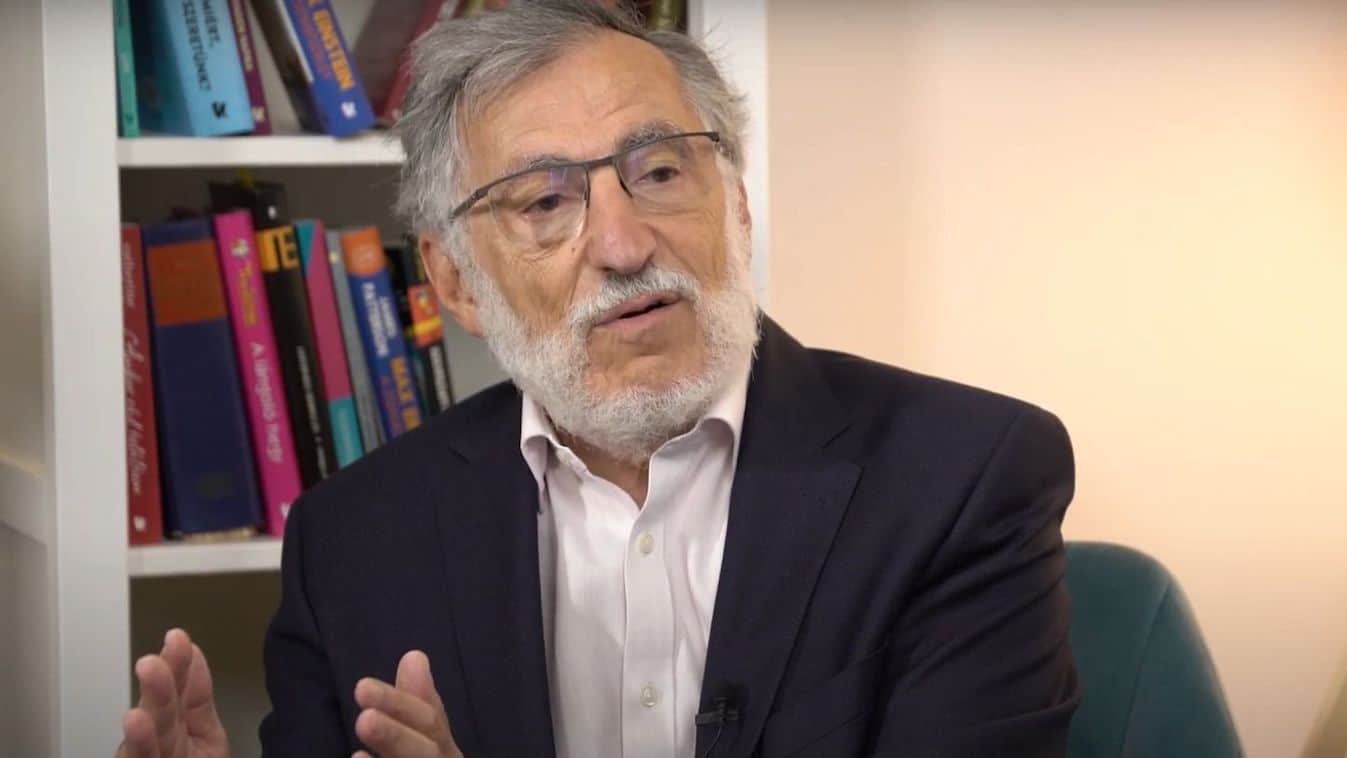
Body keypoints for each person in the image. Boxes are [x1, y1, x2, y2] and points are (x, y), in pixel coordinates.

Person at [115, 1, 1080, 756]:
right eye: (544, 201)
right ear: (456, 283)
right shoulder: (354, 538)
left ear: (736, 206)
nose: (623, 245)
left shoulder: (964, 476)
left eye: (659, 173)